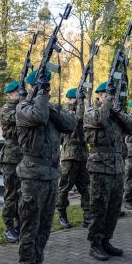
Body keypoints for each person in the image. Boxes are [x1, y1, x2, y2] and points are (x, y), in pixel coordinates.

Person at [15, 70, 76, 264]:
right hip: (32, 174)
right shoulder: (23, 108)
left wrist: (50, 105)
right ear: (32, 88)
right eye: (42, 86)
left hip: (51, 174)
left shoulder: (47, 107)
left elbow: (70, 125)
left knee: (44, 223)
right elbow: (38, 116)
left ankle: (38, 261)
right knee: (30, 223)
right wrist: (41, 97)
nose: (46, 90)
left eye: (47, 87)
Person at [84, 82, 132, 259]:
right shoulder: (92, 111)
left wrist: (118, 112)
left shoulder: (114, 115)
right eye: (107, 95)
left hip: (117, 167)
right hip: (100, 167)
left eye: (111, 95)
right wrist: (108, 104)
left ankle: (106, 240)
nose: (110, 98)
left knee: (113, 208)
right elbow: (99, 119)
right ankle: (95, 243)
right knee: (99, 208)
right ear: (99, 96)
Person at [57, 87, 91, 229]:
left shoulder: (80, 108)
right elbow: (77, 120)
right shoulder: (65, 111)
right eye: (77, 99)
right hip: (69, 156)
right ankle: (62, 214)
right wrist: (81, 103)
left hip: (82, 155)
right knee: (64, 187)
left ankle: (88, 215)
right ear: (71, 99)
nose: (79, 101)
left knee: (85, 187)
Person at [0, 81, 22, 243]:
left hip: (23, 157)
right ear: (10, 94)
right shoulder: (6, 109)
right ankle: (9, 226)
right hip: (10, 158)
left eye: (20, 92)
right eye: (16, 93)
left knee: (23, 194)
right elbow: (19, 119)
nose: (19, 95)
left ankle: (19, 223)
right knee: (11, 194)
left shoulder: (22, 106)